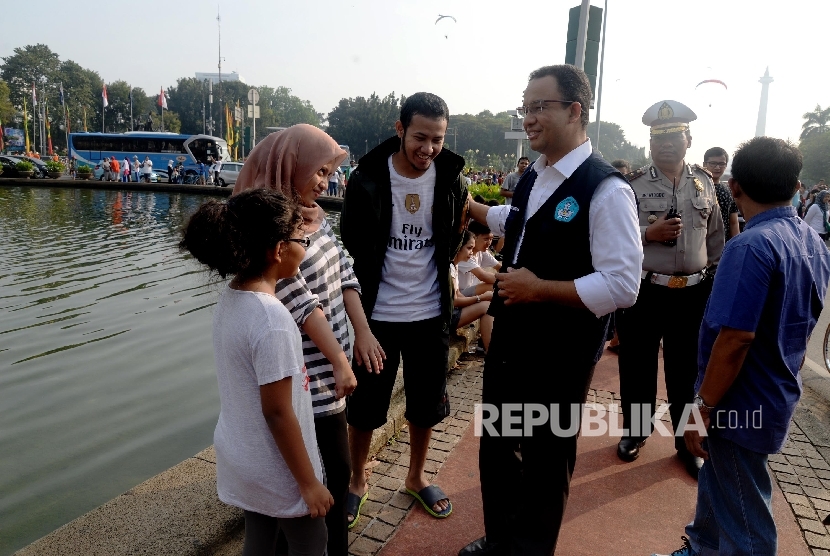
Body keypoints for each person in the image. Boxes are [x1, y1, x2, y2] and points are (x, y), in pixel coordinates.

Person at [459, 64, 642, 556]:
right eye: (526, 107)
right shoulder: (533, 176)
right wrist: (472, 205)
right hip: (511, 343)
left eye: (540, 106)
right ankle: (500, 540)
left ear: (575, 111)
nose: (529, 118)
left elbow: (624, 285)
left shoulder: (607, 190)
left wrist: (541, 288)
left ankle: (529, 549)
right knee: (498, 448)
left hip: (560, 353)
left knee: (545, 458)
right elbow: (513, 219)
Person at [653, 137, 830, 556]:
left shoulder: (749, 246)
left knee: (747, 517)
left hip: (740, 397)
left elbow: (735, 338)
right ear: (797, 185)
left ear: (732, 188)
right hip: (775, 388)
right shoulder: (813, 242)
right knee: (724, 481)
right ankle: (703, 547)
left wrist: (702, 407)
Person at [233, 124, 385, 556]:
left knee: (321, 493)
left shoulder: (315, 218)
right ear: (289, 165)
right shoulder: (268, 229)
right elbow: (298, 300)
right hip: (306, 386)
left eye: (328, 172)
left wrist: (362, 332)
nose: (324, 181)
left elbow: (346, 273)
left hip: (332, 375)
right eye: (317, 171)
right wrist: (338, 357)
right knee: (318, 493)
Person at [179, 188, 332, 556]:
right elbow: (278, 412)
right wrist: (309, 482)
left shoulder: (232, 298)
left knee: (260, 540)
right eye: (301, 239)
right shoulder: (272, 319)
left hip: (244, 459)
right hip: (279, 469)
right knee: (312, 544)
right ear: (278, 250)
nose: (306, 246)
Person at [341, 92, 468, 528]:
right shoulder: (367, 179)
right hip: (378, 315)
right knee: (365, 406)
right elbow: (355, 245)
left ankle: (415, 477)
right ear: (399, 129)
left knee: (427, 403)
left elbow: (450, 241)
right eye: (419, 137)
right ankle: (357, 481)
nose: (428, 149)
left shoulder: (452, 178)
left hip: (431, 312)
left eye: (437, 139)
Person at [616, 100, 725, 479]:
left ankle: (685, 442)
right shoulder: (630, 186)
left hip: (692, 294)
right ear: (649, 142)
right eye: (657, 137)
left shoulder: (706, 183)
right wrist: (649, 233)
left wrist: (713, 284)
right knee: (637, 364)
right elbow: (615, 239)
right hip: (646, 290)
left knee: (686, 370)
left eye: (673, 136)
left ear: (688, 139)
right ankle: (636, 430)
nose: (665, 144)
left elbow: (716, 241)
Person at [451, 230, 494, 351]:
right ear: (458, 248)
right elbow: (454, 301)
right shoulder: (449, 267)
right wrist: (480, 298)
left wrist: (476, 302)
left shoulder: (455, 265)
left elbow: (458, 293)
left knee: (487, 304)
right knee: (487, 306)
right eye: (469, 248)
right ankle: (490, 353)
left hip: (453, 311)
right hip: (444, 318)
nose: (471, 252)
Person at [704, 147, 740, 242]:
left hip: (723, 244)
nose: (717, 167)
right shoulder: (696, 188)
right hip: (700, 244)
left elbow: (733, 222)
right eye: (713, 163)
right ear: (704, 164)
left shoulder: (729, 190)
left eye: (721, 164)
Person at [456, 220, 500, 297]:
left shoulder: (482, 251)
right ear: (474, 237)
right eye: (486, 239)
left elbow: (499, 267)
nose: (489, 243)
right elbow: (483, 276)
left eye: (491, 239)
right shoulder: (464, 254)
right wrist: (509, 282)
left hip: (472, 291)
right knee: (490, 287)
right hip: (460, 295)